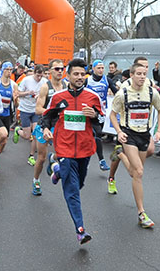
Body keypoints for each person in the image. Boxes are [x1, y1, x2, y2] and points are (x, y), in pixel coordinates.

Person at [42, 58, 102, 245]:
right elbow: (47, 117)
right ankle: (80, 230)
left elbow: (101, 124)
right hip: (64, 148)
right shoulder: (59, 97)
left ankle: (57, 170)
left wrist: (95, 116)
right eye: (75, 74)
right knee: (72, 190)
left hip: (85, 149)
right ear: (68, 76)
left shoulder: (93, 97)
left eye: (82, 74)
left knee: (79, 184)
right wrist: (45, 129)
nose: (79, 77)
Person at [109, 62, 160, 228]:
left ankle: (119, 154)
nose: (141, 77)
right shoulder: (123, 94)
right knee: (139, 172)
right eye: (138, 74)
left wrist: (159, 130)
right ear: (131, 75)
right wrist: (119, 131)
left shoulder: (151, 93)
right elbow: (112, 114)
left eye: (144, 74)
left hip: (144, 135)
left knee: (134, 172)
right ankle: (141, 213)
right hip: (129, 134)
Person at [31, 59, 66, 196]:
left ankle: (54, 159)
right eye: (56, 69)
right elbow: (38, 109)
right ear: (50, 71)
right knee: (41, 158)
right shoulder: (46, 87)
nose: (59, 71)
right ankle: (36, 180)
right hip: (45, 124)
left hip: (59, 125)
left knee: (64, 153)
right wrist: (52, 110)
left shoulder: (66, 85)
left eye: (61, 69)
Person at [85, 59, 118, 171]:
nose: (101, 70)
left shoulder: (107, 80)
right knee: (97, 133)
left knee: (94, 136)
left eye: (102, 68)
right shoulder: (87, 81)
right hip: (89, 112)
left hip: (101, 112)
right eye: (98, 68)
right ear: (93, 69)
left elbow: (116, 93)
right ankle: (101, 160)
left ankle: (87, 158)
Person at [13, 64, 47, 166]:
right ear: (34, 73)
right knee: (27, 136)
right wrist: (28, 92)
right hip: (25, 110)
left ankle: (31, 156)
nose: (39, 78)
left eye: (41, 76)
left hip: (36, 111)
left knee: (35, 134)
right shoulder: (26, 80)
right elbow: (17, 93)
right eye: (37, 75)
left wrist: (40, 97)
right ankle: (18, 131)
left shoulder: (44, 82)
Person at [0, 61, 18, 171]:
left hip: (7, 114)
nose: (9, 72)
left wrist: (16, 100)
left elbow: (16, 104)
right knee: (3, 134)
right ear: (3, 70)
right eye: (7, 69)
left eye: (11, 70)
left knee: (4, 141)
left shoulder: (14, 85)